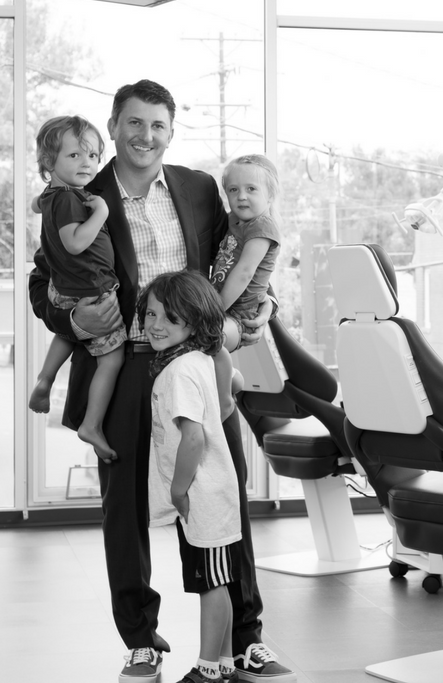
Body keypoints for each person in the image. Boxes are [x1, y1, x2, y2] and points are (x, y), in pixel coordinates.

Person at [29, 80, 294, 683]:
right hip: (122, 361)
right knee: (125, 509)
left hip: (197, 362)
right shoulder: (79, 191)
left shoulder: (198, 188)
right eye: (133, 123)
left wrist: (259, 309)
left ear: (171, 132)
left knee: (222, 495)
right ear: (113, 126)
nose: (144, 136)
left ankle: (247, 639)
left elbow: (241, 255)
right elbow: (42, 282)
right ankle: (141, 641)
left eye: (157, 125)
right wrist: (73, 320)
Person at [140, 270, 242, 683]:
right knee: (217, 582)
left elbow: (193, 438)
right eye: (151, 314)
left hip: (202, 496)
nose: (156, 325)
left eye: (171, 318)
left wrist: (178, 490)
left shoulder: (179, 371)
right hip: (211, 495)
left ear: (196, 323)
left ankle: (207, 669)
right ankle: (225, 664)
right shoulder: (198, 359)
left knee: (210, 586)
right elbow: (226, 396)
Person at [28, 115, 126, 463]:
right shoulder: (72, 199)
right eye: (75, 155)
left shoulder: (53, 195)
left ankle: (46, 378)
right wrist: (101, 212)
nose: (86, 163)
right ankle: (92, 424)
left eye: (93, 155)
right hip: (90, 289)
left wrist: (43, 197)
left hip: (64, 288)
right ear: (48, 161)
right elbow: (74, 243)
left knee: (69, 334)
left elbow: (35, 204)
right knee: (111, 359)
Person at [210, 155, 281, 416]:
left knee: (209, 338)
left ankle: (227, 395)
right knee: (202, 342)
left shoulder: (262, 226)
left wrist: (213, 310)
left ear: (270, 195)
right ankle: (230, 379)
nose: (241, 196)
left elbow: (244, 273)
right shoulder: (235, 221)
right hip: (225, 309)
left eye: (251, 189)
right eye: (233, 189)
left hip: (240, 314)